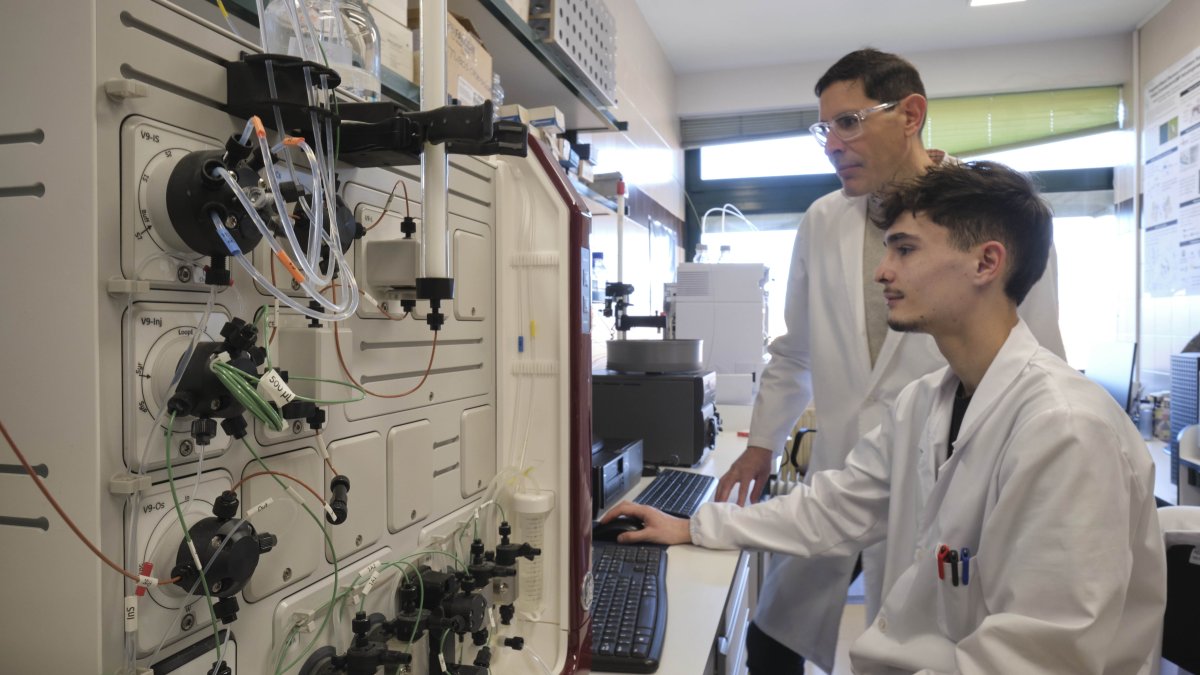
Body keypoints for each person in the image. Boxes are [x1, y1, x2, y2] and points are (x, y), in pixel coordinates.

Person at [606, 161, 1166, 673]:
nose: (882, 272)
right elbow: (832, 509)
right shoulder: (926, 402)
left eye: (904, 249)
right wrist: (696, 526)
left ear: (986, 262)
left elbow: (1039, 660)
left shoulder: (1066, 431)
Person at [710, 48, 1066, 674]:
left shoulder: (993, 214)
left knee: (924, 643)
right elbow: (795, 348)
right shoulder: (823, 220)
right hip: (847, 469)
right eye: (822, 128)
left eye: (848, 121)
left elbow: (1033, 349)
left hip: (944, 476)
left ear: (911, 115)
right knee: (774, 637)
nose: (831, 143)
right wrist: (762, 443)